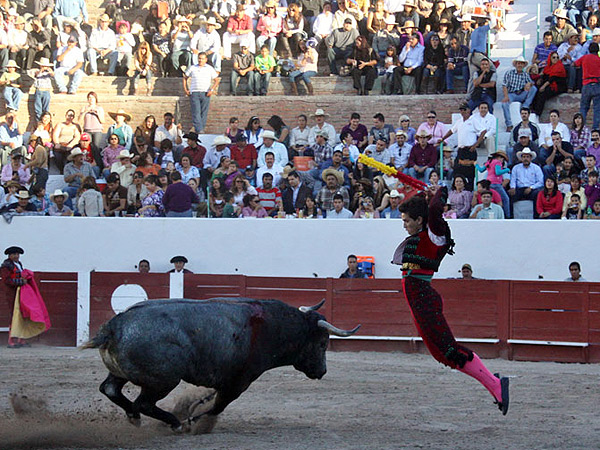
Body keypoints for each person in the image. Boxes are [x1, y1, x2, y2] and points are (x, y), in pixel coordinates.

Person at [395, 188, 509, 414]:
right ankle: (492, 380)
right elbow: (431, 208)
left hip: (423, 299)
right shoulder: (426, 232)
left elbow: (436, 209)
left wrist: (438, 192)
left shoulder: (435, 233)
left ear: (419, 220)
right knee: (441, 354)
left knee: (449, 350)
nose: (404, 225)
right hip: (418, 300)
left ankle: (496, 384)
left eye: (407, 221)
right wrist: (423, 195)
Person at [1, 246, 50, 348]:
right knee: (15, 316)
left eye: (17, 254)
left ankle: (21, 340)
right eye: (14, 254)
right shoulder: (6, 266)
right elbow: (6, 280)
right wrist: (20, 282)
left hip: (21, 293)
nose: (16, 256)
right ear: (9, 255)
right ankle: (11, 341)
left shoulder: (18, 264)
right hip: (12, 294)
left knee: (23, 315)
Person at [184, 52, 220, 134]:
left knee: (204, 112)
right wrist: (186, 89)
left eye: (202, 58)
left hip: (205, 92)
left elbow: (217, 80)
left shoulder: (209, 68)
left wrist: (212, 90)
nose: (201, 60)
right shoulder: (193, 68)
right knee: (196, 112)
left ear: (206, 59)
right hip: (195, 92)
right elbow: (185, 77)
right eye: (199, 58)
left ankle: (200, 130)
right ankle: (200, 130)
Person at [501, 56, 538, 132]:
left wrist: (529, 84)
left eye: (522, 64)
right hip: (512, 94)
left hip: (522, 94)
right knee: (504, 104)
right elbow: (504, 85)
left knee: (534, 89)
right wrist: (506, 96)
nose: (520, 65)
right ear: (515, 64)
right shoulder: (509, 73)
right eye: (518, 63)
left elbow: (531, 82)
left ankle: (525, 105)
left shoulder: (525, 74)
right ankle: (509, 124)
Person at [574, 42, 600, 130]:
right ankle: (595, 128)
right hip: (597, 84)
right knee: (597, 109)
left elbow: (575, 64)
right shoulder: (598, 59)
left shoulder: (585, 58)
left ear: (589, 50)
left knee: (584, 108)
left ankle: (582, 128)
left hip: (586, 84)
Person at [532, 52, 567, 117]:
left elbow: (552, 78)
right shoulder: (548, 67)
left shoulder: (559, 66)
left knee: (543, 93)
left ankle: (537, 113)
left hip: (557, 86)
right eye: (554, 57)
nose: (556, 59)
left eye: (557, 57)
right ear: (550, 58)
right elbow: (544, 75)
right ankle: (532, 110)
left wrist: (543, 86)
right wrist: (540, 79)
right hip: (550, 83)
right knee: (535, 89)